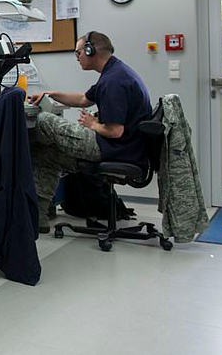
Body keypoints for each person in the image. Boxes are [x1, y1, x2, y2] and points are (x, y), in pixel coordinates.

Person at [28, 31, 151, 233]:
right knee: (46, 155)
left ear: (90, 50)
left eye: (78, 54)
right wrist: (49, 94)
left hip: (114, 147)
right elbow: (83, 99)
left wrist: (93, 124)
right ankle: (38, 218)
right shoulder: (114, 72)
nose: (77, 58)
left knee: (44, 120)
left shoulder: (114, 82)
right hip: (121, 147)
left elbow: (115, 131)